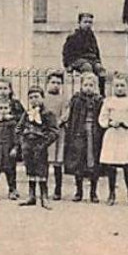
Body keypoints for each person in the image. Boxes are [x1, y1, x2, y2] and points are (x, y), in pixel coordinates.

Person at [97, 73, 128, 206]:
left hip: (127, 135)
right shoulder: (109, 101)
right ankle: (111, 194)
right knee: (112, 166)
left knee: (126, 165)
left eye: (122, 85)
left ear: (127, 86)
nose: (120, 88)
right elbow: (102, 118)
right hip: (113, 135)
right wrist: (110, 123)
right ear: (113, 87)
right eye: (117, 86)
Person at [63, 70, 105, 202]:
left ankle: (93, 192)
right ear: (81, 85)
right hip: (79, 133)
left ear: (95, 86)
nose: (88, 88)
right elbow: (70, 116)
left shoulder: (99, 100)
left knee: (93, 162)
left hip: (94, 133)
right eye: (86, 85)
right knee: (78, 161)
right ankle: (79, 191)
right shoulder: (76, 99)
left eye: (91, 85)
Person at [16, 85, 58, 210]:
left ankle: (44, 197)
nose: (34, 100)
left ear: (43, 98)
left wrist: (44, 143)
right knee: (30, 169)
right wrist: (23, 140)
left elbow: (54, 132)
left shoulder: (48, 114)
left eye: (36, 97)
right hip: (28, 146)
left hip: (40, 146)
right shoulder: (26, 114)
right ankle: (31, 196)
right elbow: (18, 128)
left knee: (42, 170)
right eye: (31, 98)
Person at [42, 70, 70, 200]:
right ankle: (44, 189)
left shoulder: (64, 99)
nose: (56, 85)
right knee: (45, 161)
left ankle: (58, 190)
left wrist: (58, 122)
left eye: (59, 83)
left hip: (59, 133)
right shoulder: (43, 99)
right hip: (45, 133)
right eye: (53, 82)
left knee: (58, 162)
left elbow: (65, 114)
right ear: (47, 84)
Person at [62, 12, 106, 90]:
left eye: (90, 22)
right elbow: (66, 52)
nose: (88, 25)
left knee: (100, 69)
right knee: (87, 67)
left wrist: (99, 62)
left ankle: (102, 93)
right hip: (77, 60)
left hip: (91, 59)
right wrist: (68, 65)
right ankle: (85, 90)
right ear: (79, 23)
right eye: (85, 22)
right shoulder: (73, 36)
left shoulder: (91, 36)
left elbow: (96, 51)